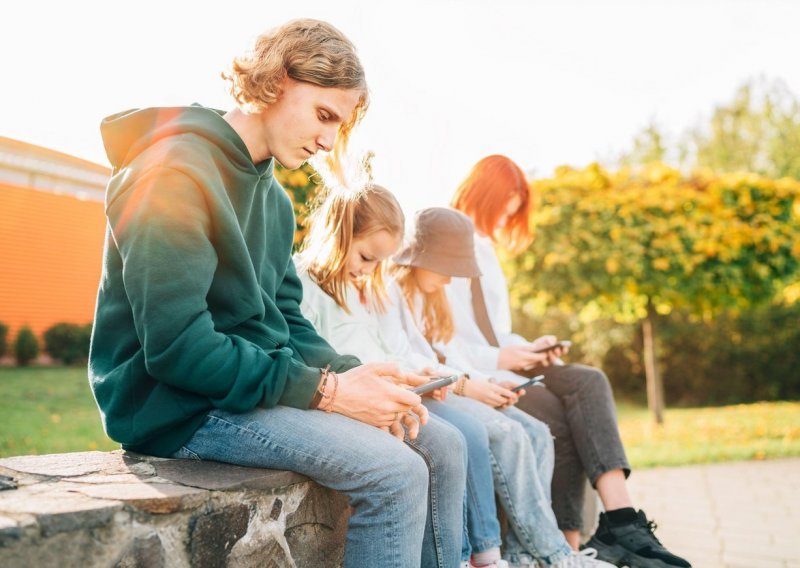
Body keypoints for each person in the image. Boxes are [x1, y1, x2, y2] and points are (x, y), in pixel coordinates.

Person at [88, 19, 466, 568]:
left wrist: (356, 372)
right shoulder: (171, 172)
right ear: (276, 81)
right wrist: (331, 392)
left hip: (242, 388)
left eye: (341, 125)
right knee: (394, 470)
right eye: (324, 115)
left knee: (442, 445)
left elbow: (284, 320)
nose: (329, 141)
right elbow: (178, 351)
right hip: (177, 408)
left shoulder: (274, 198)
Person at [446, 155, 691, 568]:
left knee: (589, 381)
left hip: (506, 362)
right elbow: (442, 338)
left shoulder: (486, 251)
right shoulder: (446, 240)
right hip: (479, 374)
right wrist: (502, 355)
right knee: (558, 417)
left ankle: (620, 521)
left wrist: (531, 346)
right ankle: (570, 549)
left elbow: (494, 329)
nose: (507, 220)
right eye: (505, 208)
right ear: (485, 195)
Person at [386, 207, 613, 568]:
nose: (449, 281)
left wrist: (487, 380)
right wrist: (470, 384)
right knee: (508, 434)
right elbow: (416, 358)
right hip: (439, 391)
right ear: (419, 256)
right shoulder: (394, 292)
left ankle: (523, 556)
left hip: (456, 383)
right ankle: (555, 554)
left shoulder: (431, 297)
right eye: (446, 269)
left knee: (538, 433)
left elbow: (449, 350)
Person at [294, 184, 495, 568]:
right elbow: (308, 356)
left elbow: (385, 353)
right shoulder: (303, 284)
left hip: (384, 394)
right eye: (366, 256)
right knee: (440, 445)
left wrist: (410, 376)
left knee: (451, 441)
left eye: (377, 264)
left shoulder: (359, 289)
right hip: (343, 400)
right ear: (338, 233)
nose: (368, 271)